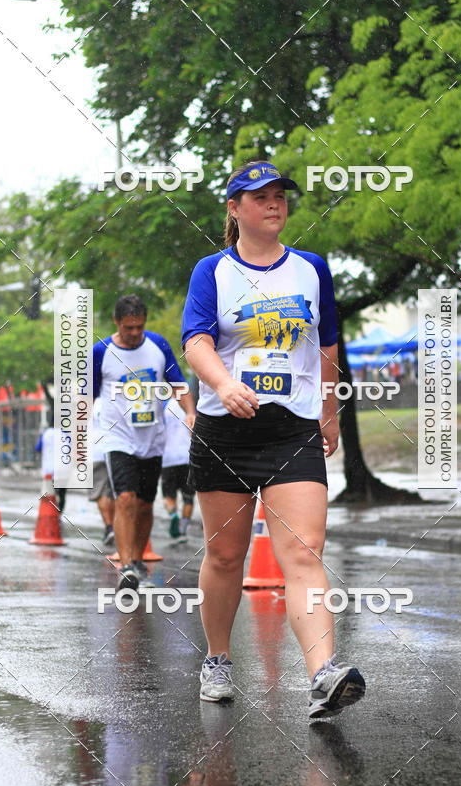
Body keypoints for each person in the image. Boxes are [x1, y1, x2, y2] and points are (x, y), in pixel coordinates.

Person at [182, 160, 366, 719]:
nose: (273, 204)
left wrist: (330, 412)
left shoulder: (311, 269)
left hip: (292, 429)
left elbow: (327, 343)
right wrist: (223, 383)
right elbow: (195, 341)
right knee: (225, 554)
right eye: (258, 197)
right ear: (234, 210)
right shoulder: (212, 270)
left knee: (305, 553)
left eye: (280, 196)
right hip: (226, 431)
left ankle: (323, 673)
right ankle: (217, 659)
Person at [93, 294, 196, 591]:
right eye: (129, 328)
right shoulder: (102, 351)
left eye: (140, 327)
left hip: (152, 436)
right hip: (118, 436)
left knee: (145, 504)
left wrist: (190, 413)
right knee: (125, 498)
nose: (135, 333)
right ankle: (126, 567)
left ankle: (137, 562)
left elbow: (178, 384)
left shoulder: (158, 345)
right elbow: (87, 396)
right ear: (116, 323)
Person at [160, 397, 194, 541]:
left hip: (168, 458)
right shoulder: (190, 409)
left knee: (169, 495)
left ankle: (173, 515)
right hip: (187, 457)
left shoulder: (163, 406)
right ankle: (183, 530)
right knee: (188, 498)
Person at [89, 398, 115, 548]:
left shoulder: (87, 402)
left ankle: (110, 526)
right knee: (116, 492)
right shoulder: (113, 397)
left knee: (100, 492)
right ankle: (117, 527)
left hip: (95, 452)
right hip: (116, 449)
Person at [35, 415, 66, 513]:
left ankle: (50, 513)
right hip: (62, 469)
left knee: (49, 493)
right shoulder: (65, 434)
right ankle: (59, 513)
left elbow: (38, 448)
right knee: (61, 494)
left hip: (48, 470)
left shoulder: (45, 434)